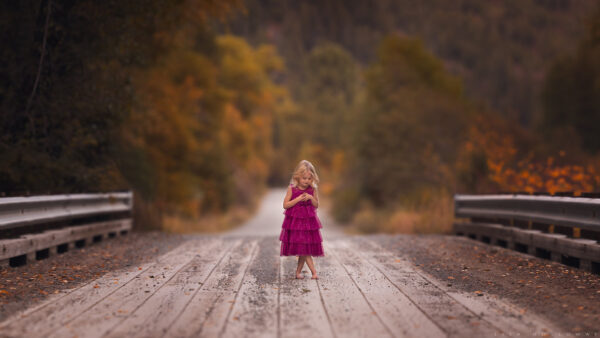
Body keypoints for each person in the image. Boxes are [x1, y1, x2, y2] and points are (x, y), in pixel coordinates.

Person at [280, 160, 324, 279]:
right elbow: (285, 205)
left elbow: (316, 205)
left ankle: (298, 273)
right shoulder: (292, 188)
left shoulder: (313, 189)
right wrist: (298, 199)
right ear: (298, 177)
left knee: (303, 250)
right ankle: (313, 272)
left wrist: (310, 197)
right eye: (304, 178)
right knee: (304, 250)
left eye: (309, 179)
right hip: (296, 225)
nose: (307, 181)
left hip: (309, 225)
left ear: (313, 178)